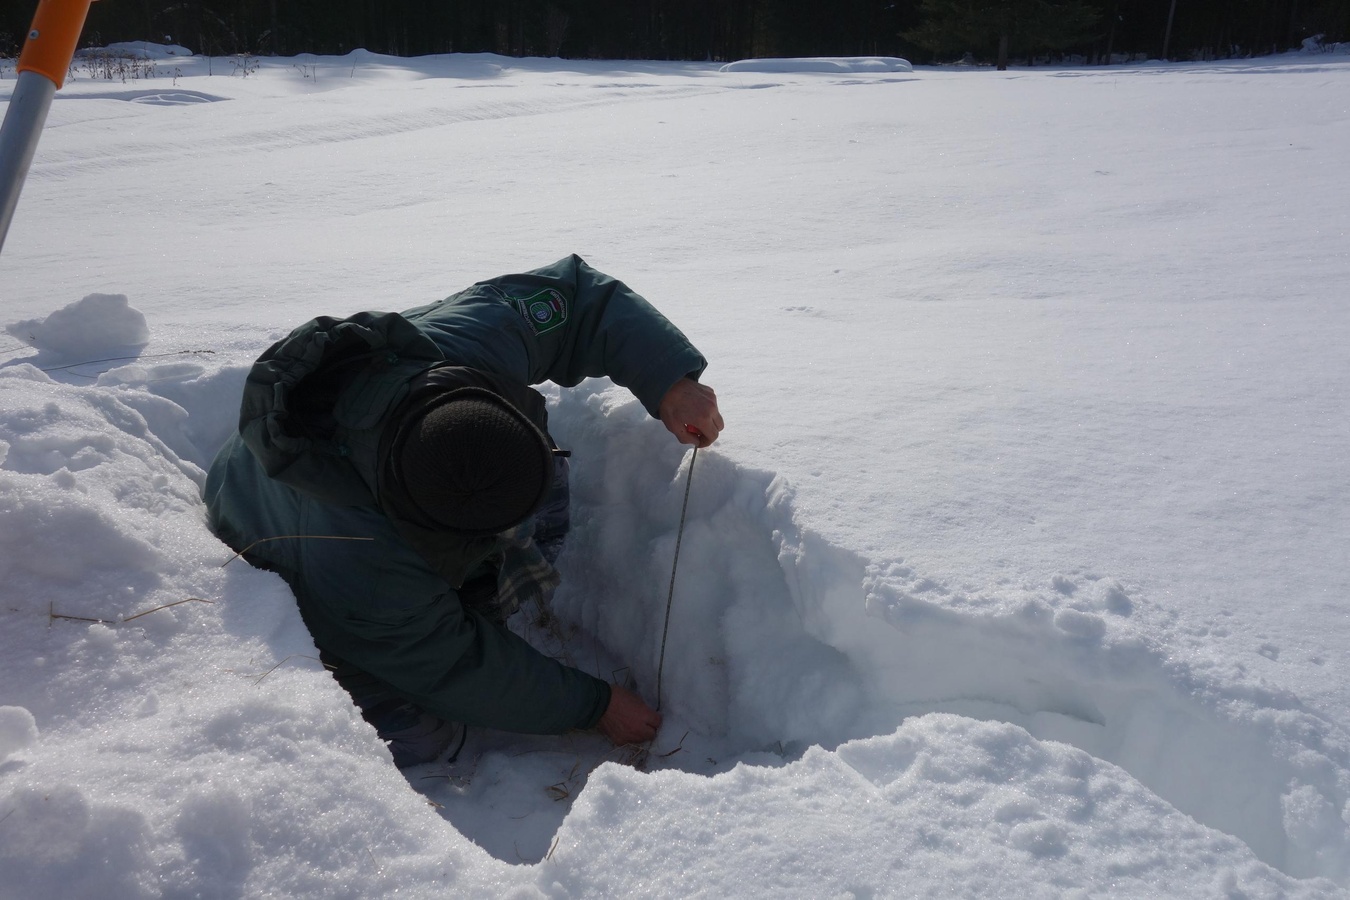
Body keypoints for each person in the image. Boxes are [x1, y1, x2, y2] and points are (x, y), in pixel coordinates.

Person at [204, 255, 723, 767]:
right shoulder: (368, 569)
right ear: (433, 533)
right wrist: (595, 705)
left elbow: (580, 300)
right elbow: (455, 668)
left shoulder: (471, 343)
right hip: (265, 527)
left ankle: (482, 579)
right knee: (418, 735)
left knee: (546, 501)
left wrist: (668, 381)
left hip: (369, 459)